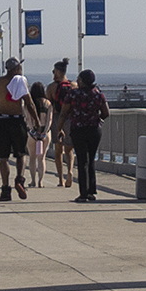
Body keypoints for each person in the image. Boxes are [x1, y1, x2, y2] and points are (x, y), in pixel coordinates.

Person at [0, 57, 37, 202]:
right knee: (21, 154)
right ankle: (20, 179)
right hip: (17, 121)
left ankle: (5, 190)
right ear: (16, 69)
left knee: (3, 158)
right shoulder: (20, 81)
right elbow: (29, 104)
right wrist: (36, 122)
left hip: (2, 121)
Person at [63, 68, 108, 201]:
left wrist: (60, 127)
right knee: (91, 159)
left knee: (82, 160)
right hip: (94, 130)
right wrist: (98, 118)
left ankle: (83, 193)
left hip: (78, 130)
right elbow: (106, 113)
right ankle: (91, 191)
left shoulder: (73, 94)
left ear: (82, 81)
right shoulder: (98, 94)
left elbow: (64, 113)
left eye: (79, 79)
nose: (77, 80)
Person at [47, 60, 77, 188]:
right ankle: (70, 171)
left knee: (58, 149)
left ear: (58, 71)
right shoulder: (74, 85)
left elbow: (48, 105)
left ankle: (60, 179)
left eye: (54, 71)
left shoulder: (51, 87)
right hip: (71, 118)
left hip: (57, 118)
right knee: (69, 149)